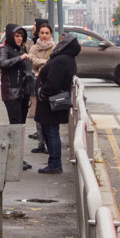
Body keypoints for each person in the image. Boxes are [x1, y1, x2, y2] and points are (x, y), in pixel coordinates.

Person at [34, 32, 81, 174]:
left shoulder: (61, 60)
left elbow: (53, 82)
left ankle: (55, 163)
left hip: (50, 102)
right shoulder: (67, 58)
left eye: (61, 42)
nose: (58, 44)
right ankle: (54, 162)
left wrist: (43, 92)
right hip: (53, 101)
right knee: (48, 130)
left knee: (51, 131)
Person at [0, 24, 34, 170]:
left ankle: (18, 158)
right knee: (16, 126)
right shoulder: (4, 49)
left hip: (22, 93)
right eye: (17, 36)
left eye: (21, 36)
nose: (19, 39)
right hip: (11, 93)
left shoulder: (20, 49)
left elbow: (23, 69)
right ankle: (14, 159)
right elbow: (3, 64)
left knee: (21, 126)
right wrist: (20, 58)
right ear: (11, 36)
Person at [28, 21, 56, 148]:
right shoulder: (34, 47)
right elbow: (30, 61)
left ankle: (48, 142)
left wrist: (39, 63)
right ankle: (40, 142)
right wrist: (45, 62)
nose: (44, 35)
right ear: (38, 34)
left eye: (47, 33)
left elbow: (53, 63)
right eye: (42, 33)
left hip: (49, 85)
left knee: (48, 115)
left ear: (51, 34)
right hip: (36, 84)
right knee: (38, 114)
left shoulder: (54, 48)